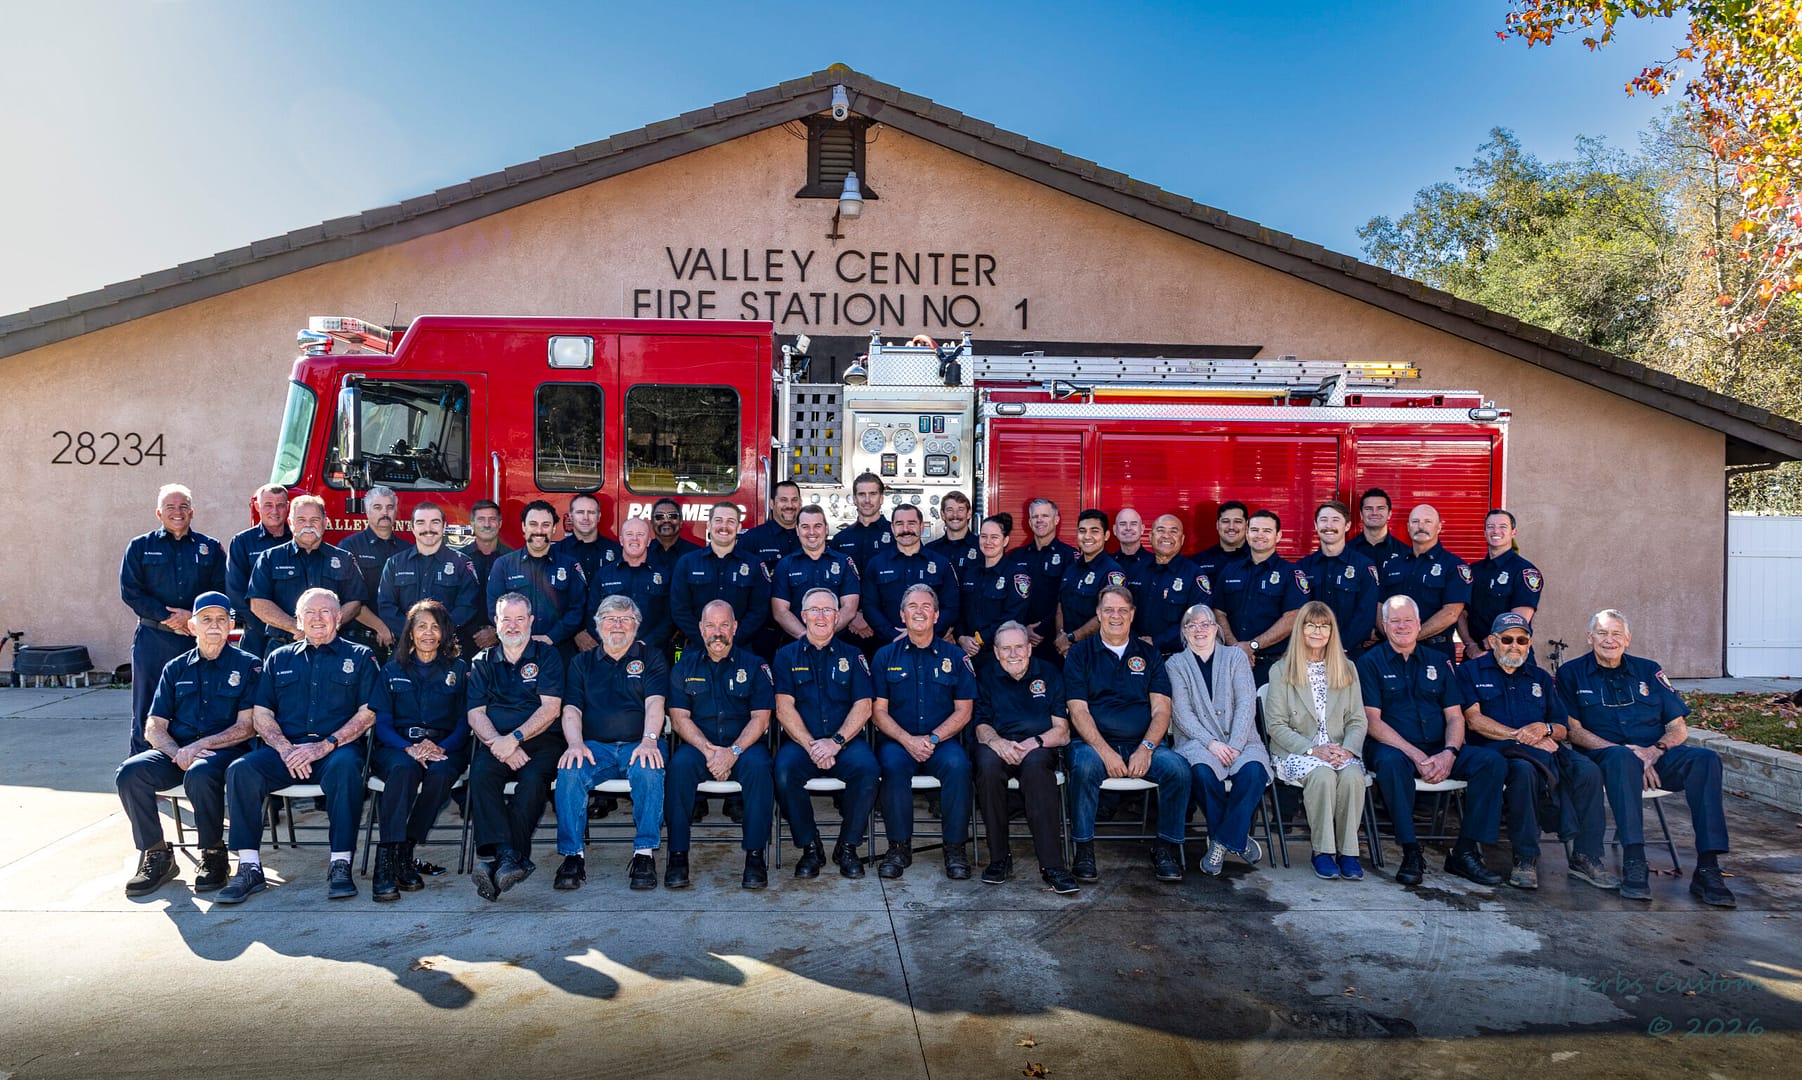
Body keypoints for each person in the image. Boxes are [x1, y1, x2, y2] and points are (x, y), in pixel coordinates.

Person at [1558, 610, 1735, 907]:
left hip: (1654, 756)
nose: (1609, 640)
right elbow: (1572, 731)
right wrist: (1627, 754)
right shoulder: (1571, 673)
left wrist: (1653, 753)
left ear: (1627, 639)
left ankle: (1708, 867)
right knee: (1620, 758)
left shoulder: (1648, 670)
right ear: (1590, 638)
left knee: (1706, 760)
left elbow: (1678, 728)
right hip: (1604, 758)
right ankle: (1634, 860)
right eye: (1602, 633)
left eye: (1616, 634)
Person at [215, 588, 379, 904]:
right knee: (241, 770)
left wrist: (326, 746)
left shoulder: (359, 657)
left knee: (348, 767)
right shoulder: (278, 658)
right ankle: (249, 867)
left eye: (326, 611)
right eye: (310, 613)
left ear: (339, 618)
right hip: (286, 752)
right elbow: (261, 714)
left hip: (335, 751)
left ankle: (340, 863)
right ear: (298, 620)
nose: (318, 618)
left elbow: (368, 713)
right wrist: (285, 748)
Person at [1458, 613, 1618, 892]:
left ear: (1529, 643)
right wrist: (1520, 736)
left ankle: (1586, 855)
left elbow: (1561, 728)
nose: (1514, 646)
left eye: (1522, 640)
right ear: (1493, 641)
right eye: (1507, 639)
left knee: (1589, 771)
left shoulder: (1540, 678)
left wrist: (1543, 729)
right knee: (1524, 773)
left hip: (1545, 750)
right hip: (1498, 750)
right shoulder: (1470, 672)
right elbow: (1474, 720)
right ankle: (1525, 858)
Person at [114, 591, 258, 896]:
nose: (214, 625)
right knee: (129, 773)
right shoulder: (175, 668)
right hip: (177, 752)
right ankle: (157, 853)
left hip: (224, 752)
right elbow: (154, 726)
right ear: (192, 626)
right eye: (206, 619)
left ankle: (214, 853)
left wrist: (199, 746)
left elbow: (247, 727)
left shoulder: (248, 666)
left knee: (201, 773)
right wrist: (176, 751)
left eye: (222, 619)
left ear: (232, 624)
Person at [1357, 596, 1506, 887]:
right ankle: (1411, 851)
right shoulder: (1368, 663)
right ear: (1385, 626)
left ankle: (1464, 852)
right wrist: (1415, 755)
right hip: (1395, 748)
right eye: (1395, 621)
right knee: (1389, 764)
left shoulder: (1439, 662)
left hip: (1439, 747)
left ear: (1418, 624)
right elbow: (1372, 721)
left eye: (1408, 620)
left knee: (1492, 762)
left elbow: (1454, 716)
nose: (1402, 626)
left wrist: (1450, 753)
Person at [1063, 584, 1191, 884]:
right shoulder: (1079, 654)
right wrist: (1105, 751)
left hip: (1141, 744)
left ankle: (1166, 848)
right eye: (1108, 610)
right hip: (1093, 745)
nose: (1115, 616)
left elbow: (1161, 710)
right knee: (1083, 768)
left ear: (1133, 615)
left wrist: (1146, 748)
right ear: (1098, 614)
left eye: (1122, 610)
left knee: (1179, 771)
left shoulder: (1150, 654)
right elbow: (1078, 711)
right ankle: (1083, 848)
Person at [553, 594, 668, 892]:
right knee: (569, 771)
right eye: (610, 618)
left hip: (637, 744)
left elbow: (656, 703)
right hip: (594, 747)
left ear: (636, 626)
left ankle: (644, 854)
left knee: (649, 769)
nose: (618, 625)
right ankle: (572, 855)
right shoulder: (581, 662)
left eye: (625, 619)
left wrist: (649, 741)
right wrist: (575, 744)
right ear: (598, 625)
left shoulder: (651, 657)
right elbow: (571, 709)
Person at [664, 600, 777, 889]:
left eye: (724, 625)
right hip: (700, 746)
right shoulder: (683, 665)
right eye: (711, 625)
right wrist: (710, 751)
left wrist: (733, 752)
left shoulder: (755, 665)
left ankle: (755, 856)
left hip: (744, 746)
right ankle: (677, 855)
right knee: (678, 767)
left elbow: (761, 719)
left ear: (735, 628)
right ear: (701, 629)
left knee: (761, 769)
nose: (718, 632)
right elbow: (678, 719)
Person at [772, 588, 881, 879]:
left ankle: (847, 847)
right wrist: (811, 745)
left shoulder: (854, 656)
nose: (821, 616)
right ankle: (810, 847)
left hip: (843, 741)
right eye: (815, 611)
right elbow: (783, 708)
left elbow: (863, 706)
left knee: (868, 770)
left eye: (828, 611)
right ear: (803, 616)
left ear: (838, 617)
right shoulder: (785, 656)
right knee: (783, 773)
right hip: (801, 741)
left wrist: (835, 742)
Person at [871, 584, 978, 880]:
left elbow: (964, 711)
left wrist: (931, 739)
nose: (919, 611)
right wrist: (907, 740)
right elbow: (878, 711)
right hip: (898, 740)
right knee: (891, 766)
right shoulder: (884, 657)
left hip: (941, 741)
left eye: (926, 606)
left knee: (959, 767)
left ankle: (955, 848)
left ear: (936, 615)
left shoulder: (956, 657)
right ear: (902, 616)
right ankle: (898, 847)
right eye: (912, 607)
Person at [366, 599, 470, 901]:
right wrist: (409, 748)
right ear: (410, 632)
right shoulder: (391, 669)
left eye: (435, 627)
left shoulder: (458, 669)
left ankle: (404, 849)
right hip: (398, 746)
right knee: (403, 769)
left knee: (441, 774)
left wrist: (440, 746)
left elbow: (465, 723)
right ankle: (385, 862)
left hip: (444, 745)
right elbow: (382, 724)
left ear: (444, 633)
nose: (428, 633)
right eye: (421, 626)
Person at [465, 592, 566, 901]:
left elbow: (550, 708)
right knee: (480, 775)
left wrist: (515, 739)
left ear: (531, 621)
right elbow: (475, 713)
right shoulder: (482, 662)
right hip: (495, 741)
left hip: (542, 740)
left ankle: (498, 859)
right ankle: (510, 857)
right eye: (506, 619)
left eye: (519, 619)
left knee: (533, 781)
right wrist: (499, 743)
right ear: (495, 623)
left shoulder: (547, 656)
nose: (512, 625)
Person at [1265, 602, 1371, 880]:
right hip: (1297, 750)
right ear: (1300, 629)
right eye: (1310, 625)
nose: (1317, 631)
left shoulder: (1347, 668)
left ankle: (1348, 852)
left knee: (1352, 777)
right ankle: (1322, 851)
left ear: (1332, 632)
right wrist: (1313, 749)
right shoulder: (1281, 670)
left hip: (1339, 749)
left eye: (1324, 626)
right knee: (1322, 775)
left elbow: (1358, 720)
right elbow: (1275, 725)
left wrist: (1348, 750)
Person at [972, 622, 1078, 893]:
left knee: (1036, 771)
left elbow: (1062, 731)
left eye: (1019, 646)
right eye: (1005, 649)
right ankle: (999, 858)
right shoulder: (985, 675)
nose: (1013, 653)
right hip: (999, 743)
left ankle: (1052, 865)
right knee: (987, 766)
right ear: (996, 652)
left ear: (1029, 648)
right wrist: (997, 742)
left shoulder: (1050, 673)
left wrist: (1035, 742)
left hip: (1040, 744)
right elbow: (981, 725)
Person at [120, 484, 226, 754]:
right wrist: (169, 617)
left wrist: (192, 617)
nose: (177, 512)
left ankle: (192, 768)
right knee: (147, 706)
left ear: (191, 512)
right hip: (154, 639)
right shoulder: (140, 547)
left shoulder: (209, 548)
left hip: (196, 642)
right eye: (170, 507)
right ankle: (142, 773)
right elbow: (131, 592)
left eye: (182, 507)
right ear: (159, 513)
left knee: (198, 704)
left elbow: (221, 590)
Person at [1166, 604, 1267, 875]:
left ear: (1216, 629)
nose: (1199, 629)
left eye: (1205, 624)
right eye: (1192, 625)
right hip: (1198, 743)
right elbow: (1181, 713)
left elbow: (1247, 703)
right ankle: (1237, 839)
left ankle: (1221, 842)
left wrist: (1234, 744)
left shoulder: (1236, 657)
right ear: (1184, 632)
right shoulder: (1175, 664)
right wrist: (1212, 743)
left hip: (1242, 739)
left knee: (1254, 772)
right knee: (1200, 773)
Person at [246, 494, 367, 656]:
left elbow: (354, 602)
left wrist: (325, 628)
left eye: (315, 520)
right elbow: (258, 603)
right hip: (284, 648)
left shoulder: (344, 559)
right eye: (301, 520)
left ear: (325, 523)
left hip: (333, 649)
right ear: (290, 523)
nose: (308, 525)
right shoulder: (270, 558)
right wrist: (298, 627)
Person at [1212, 509, 1308, 685]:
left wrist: (1252, 646)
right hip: (1231, 661)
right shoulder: (1230, 570)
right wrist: (1236, 648)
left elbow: (1293, 617)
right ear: (1247, 534)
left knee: (1270, 713)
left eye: (1267, 531)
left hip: (1275, 665)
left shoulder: (1291, 574)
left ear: (1278, 536)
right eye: (1255, 530)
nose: (1260, 535)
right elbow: (1219, 612)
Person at [487, 500, 588, 661]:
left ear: (554, 528)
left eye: (546, 525)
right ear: (523, 527)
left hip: (558, 651)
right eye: (533, 524)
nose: (539, 531)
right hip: (515, 653)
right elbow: (494, 608)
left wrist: (551, 637)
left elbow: (577, 609)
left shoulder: (569, 565)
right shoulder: (504, 565)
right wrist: (520, 638)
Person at [377, 502, 482, 656]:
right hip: (406, 650)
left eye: (435, 522)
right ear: (412, 527)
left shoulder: (461, 563)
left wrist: (437, 632)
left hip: (447, 650)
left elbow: (468, 606)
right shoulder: (394, 564)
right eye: (421, 523)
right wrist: (413, 633)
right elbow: (386, 606)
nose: (428, 529)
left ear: (444, 527)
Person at [670, 502, 772, 650]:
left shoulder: (754, 565)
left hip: (740, 649)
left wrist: (731, 642)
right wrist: (705, 640)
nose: (724, 526)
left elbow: (758, 611)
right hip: (698, 648)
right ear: (709, 525)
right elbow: (679, 610)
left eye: (730, 521)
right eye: (718, 520)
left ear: (738, 528)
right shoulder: (687, 563)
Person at [860, 503, 961, 646]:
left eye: (912, 523)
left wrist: (927, 633)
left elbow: (951, 607)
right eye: (899, 524)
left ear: (922, 526)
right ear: (892, 528)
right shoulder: (876, 564)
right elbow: (869, 606)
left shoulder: (941, 564)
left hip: (932, 645)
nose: (905, 530)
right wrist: (893, 634)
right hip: (889, 646)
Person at [1377, 504, 1470, 655]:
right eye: (1415, 522)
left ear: (1439, 527)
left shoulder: (1453, 566)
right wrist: (1394, 638)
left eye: (1428, 522)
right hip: (1393, 650)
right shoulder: (1392, 565)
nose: (1421, 526)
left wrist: (1410, 638)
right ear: (1408, 527)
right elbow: (1379, 606)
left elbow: (1451, 613)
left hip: (1435, 650)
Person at [1294, 500, 1380, 658]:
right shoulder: (1303, 567)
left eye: (1335, 520)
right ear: (1315, 525)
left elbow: (1366, 614)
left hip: (1350, 654)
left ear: (1347, 526)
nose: (1329, 525)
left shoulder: (1364, 566)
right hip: (1310, 654)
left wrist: (1340, 646)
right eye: (1323, 520)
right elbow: (1297, 613)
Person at [769, 505, 861, 645]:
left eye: (817, 526)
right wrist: (806, 637)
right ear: (797, 530)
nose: (812, 532)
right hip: (796, 645)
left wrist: (825, 635)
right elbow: (780, 611)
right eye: (805, 526)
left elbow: (849, 608)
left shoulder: (844, 563)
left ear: (826, 528)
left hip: (837, 644)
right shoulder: (785, 565)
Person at [1460, 510, 1544, 661]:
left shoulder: (1525, 572)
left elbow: (1517, 621)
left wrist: (1483, 646)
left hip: (1510, 656)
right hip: (1475, 658)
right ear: (1484, 532)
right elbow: (1460, 613)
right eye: (1491, 527)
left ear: (1513, 532)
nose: (1496, 531)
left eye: (1503, 526)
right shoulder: (1473, 571)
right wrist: (1470, 644)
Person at [587, 517, 676, 655]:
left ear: (648, 541)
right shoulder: (604, 575)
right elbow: (592, 614)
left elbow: (670, 618)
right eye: (629, 534)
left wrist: (647, 643)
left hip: (652, 653)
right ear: (621, 540)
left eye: (640, 535)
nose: (634, 539)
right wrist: (612, 643)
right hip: (612, 653)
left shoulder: (665, 575)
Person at [341, 485, 414, 655]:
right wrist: (379, 626)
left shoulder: (408, 550)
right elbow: (348, 598)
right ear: (367, 511)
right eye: (377, 507)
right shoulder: (350, 547)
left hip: (400, 641)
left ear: (396, 511)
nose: (384, 513)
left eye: (389, 507)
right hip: (360, 640)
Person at [956, 514, 1031, 670]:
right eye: (984, 536)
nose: (988, 542)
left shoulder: (1017, 575)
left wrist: (979, 639)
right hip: (967, 653)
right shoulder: (970, 572)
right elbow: (959, 610)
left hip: (998, 656)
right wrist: (961, 637)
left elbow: (1013, 616)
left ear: (1005, 541)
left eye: (994, 537)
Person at [1009, 497, 1078, 664]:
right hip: (1019, 640)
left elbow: (1070, 600)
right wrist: (1023, 629)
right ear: (1030, 522)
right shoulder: (1016, 556)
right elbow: (1009, 598)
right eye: (1034, 517)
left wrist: (1041, 629)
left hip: (1054, 640)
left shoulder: (1069, 556)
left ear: (1056, 520)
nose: (1039, 520)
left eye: (1045, 516)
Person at [226, 483, 291, 660]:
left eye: (280, 505)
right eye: (268, 505)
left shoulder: (298, 539)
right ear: (257, 506)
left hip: (292, 634)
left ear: (287, 507)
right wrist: (265, 626)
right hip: (256, 632)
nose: (274, 511)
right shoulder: (242, 542)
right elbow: (235, 591)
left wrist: (290, 626)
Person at [1133, 514, 1211, 656]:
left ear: (1182, 539)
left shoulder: (1194, 575)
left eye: (1173, 532)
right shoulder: (1135, 571)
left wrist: (1156, 641)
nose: (1166, 536)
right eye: (1161, 530)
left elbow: (1198, 622)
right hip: (1135, 654)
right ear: (1150, 536)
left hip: (1174, 659)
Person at [1055, 509, 1126, 661]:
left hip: (1095, 656)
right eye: (1082, 531)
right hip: (1066, 653)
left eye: (1094, 531)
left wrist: (1072, 638)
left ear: (1106, 535)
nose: (1087, 536)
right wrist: (1060, 636)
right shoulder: (1071, 569)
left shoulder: (1113, 572)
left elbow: (1109, 615)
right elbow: (1061, 606)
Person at [463, 499, 511, 654]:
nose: (487, 524)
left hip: (506, 640)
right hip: (464, 640)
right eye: (481, 519)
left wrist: (496, 633)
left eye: (492, 519)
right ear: (472, 523)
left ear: (500, 523)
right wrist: (474, 633)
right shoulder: (459, 559)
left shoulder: (514, 559)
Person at [555, 492, 622, 601]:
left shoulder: (617, 551)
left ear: (599, 516)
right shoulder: (557, 552)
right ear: (571, 516)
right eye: (580, 512)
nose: (585, 517)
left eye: (591, 512)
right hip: (570, 617)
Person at [830, 471, 893, 573]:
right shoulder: (840, 539)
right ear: (854, 499)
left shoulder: (897, 535)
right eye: (862, 494)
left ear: (881, 498)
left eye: (873, 494)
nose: (867, 500)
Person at [739, 479, 803, 569]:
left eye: (794, 500)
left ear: (800, 503)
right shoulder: (752, 539)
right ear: (772, 504)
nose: (789, 505)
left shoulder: (809, 537)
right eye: (783, 500)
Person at [924, 490, 980, 583]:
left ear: (969, 513)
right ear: (943, 514)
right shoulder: (930, 550)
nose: (955, 515)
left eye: (960, 510)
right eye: (950, 510)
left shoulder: (982, 547)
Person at [1347, 487, 1407, 573]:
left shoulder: (1404, 553)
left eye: (1381, 508)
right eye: (1368, 508)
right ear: (1361, 514)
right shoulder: (1347, 551)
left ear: (1389, 514)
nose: (1374, 513)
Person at [1194, 501, 1250, 583]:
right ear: (1217, 525)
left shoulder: (1259, 559)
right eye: (1225, 521)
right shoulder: (1199, 561)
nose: (1231, 527)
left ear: (1247, 525)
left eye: (1237, 521)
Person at [646, 497, 702, 572]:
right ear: (652, 522)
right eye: (659, 516)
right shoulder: (642, 552)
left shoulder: (697, 554)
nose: (666, 520)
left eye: (672, 516)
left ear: (681, 522)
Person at [1111, 507, 1154, 588]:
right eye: (1123, 524)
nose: (1128, 528)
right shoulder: (1107, 563)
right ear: (1114, 530)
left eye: (1133, 524)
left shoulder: (1154, 564)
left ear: (1142, 529)